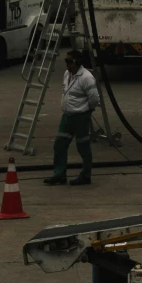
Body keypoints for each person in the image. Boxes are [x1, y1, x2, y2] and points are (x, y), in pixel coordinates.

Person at [45, 49, 99, 184]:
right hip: (67, 116)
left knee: (83, 147)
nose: (67, 64)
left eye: (69, 61)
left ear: (77, 62)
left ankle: (86, 175)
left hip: (80, 117)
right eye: (66, 61)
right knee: (59, 144)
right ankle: (59, 174)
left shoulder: (86, 77)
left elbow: (94, 99)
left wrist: (87, 110)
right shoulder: (67, 74)